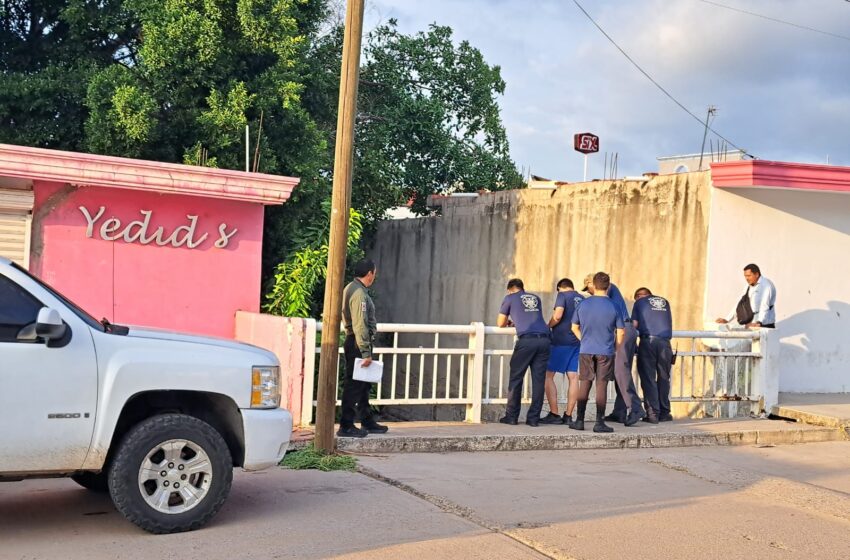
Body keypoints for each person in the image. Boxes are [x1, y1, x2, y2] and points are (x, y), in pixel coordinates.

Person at [582, 273, 644, 426]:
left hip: (622, 330)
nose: (588, 292)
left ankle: (635, 408)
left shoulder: (607, 288)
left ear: (593, 283)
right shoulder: (609, 293)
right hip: (624, 329)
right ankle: (620, 411)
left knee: (620, 371)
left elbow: (602, 310)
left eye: (588, 288)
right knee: (619, 372)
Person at [337, 259, 388, 438]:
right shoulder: (358, 293)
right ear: (369, 274)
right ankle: (346, 424)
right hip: (357, 343)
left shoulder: (353, 288)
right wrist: (365, 352)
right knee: (354, 385)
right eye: (374, 272)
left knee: (364, 384)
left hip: (356, 341)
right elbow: (360, 324)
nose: (375, 276)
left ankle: (367, 420)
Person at [570, 272, 624, 433]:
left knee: (585, 383)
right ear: (608, 286)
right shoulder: (614, 305)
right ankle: (599, 422)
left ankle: (579, 420)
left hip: (586, 350)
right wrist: (615, 348)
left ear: (593, 284)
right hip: (605, 350)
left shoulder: (583, 304)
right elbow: (621, 332)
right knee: (602, 385)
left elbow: (574, 327)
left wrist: (584, 340)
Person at [497, 278, 552, 427]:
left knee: (516, 378)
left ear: (510, 289)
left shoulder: (509, 298)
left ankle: (511, 416)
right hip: (544, 339)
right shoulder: (535, 298)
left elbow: (500, 323)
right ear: (522, 288)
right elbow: (530, 317)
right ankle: (533, 419)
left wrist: (510, 322)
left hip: (527, 340)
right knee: (539, 381)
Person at [540, 278, 584, 425]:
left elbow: (558, 315)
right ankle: (569, 415)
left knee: (548, 376)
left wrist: (548, 325)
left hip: (560, 341)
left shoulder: (563, 296)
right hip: (577, 341)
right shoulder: (582, 298)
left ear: (560, 288)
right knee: (573, 377)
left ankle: (554, 413)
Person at [632, 287, 674, 423]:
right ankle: (665, 412)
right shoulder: (665, 302)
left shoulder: (639, 303)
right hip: (665, 343)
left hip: (648, 341)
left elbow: (634, 324)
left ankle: (653, 414)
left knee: (648, 378)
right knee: (663, 378)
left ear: (639, 296)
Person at [716, 263, 777, 328]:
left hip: (764, 325)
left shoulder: (766, 285)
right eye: (745, 276)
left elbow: (764, 305)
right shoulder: (748, 287)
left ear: (756, 274)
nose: (746, 278)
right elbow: (740, 304)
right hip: (751, 324)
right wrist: (727, 319)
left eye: (749, 275)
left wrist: (759, 322)